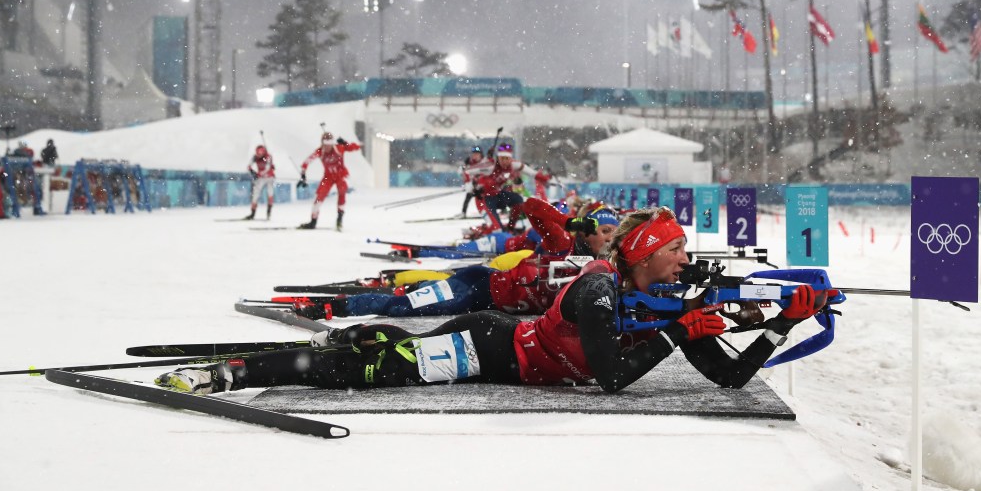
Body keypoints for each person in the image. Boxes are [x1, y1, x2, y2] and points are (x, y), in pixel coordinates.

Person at [155, 205, 833, 396]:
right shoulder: (599, 286)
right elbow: (612, 379)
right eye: (677, 249)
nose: (686, 261)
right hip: (489, 344)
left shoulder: (665, 304)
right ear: (646, 253)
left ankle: (329, 343)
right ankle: (239, 371)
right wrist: (679, 329)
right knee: (374, 364)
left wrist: (781, 327)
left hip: (509, 346)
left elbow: (733, 376)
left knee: (381, 353)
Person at [291, 198, 620, 321]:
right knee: (402, 308)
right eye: (604, 230)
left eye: (613, 234)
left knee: (411, 299)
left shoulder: (604, 273)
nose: (609, 237)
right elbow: (531, 206)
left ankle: (411, 286)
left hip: (483, 295)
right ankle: (332, 308)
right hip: (479, 289)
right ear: (588, 231)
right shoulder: (564, 244)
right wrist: (568, 221)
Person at [297, 132, 361, 230]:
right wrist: (303, 174)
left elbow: (355, 147)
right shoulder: (320, 151)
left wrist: (345, 143)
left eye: (329, 144)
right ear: (322, 143)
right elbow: (307, 161)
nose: (327, 147)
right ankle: (313, 221)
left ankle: (339, 219)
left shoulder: (339, 148)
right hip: (328, 177)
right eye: (325, 145)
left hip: (341, 175)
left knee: (342, 191)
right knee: (319, 196)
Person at [476, 143, 537, 230]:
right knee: (498, 228)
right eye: (502, 159)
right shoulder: (490, 166)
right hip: (486, 199)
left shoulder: (512, 167)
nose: (505, 162)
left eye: (507, 159)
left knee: (518, 199)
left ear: (510, 159)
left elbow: (519, 185)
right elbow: (478, 173)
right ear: (498, 158)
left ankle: (510, 227)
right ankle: (495, 228)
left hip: (499, 195)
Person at [245, 144, 275, 220]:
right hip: (260, 178)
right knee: (255, 194)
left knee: (270, 193)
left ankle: (269, 213)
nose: (259, 156)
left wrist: (259, 174)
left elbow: (267, 168)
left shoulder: (268, 156)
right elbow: (249, 166)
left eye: (260, 154)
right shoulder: (255, 157)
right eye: (258, 154)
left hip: (269, 177)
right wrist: (252, 172)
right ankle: (252, 213)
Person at [459, 145, 490, 218]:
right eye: (473, 154)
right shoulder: (468, 162)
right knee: (468, 197)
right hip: (472, 186)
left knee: (484, 199)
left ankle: (486, 212)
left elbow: (487, 174)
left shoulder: (484, 162)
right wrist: (468, 184)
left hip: (481, 186)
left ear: (481, 155)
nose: (475, 156)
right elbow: (464, 174)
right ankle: (463, 213)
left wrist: (479, 182)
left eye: (477, 154)